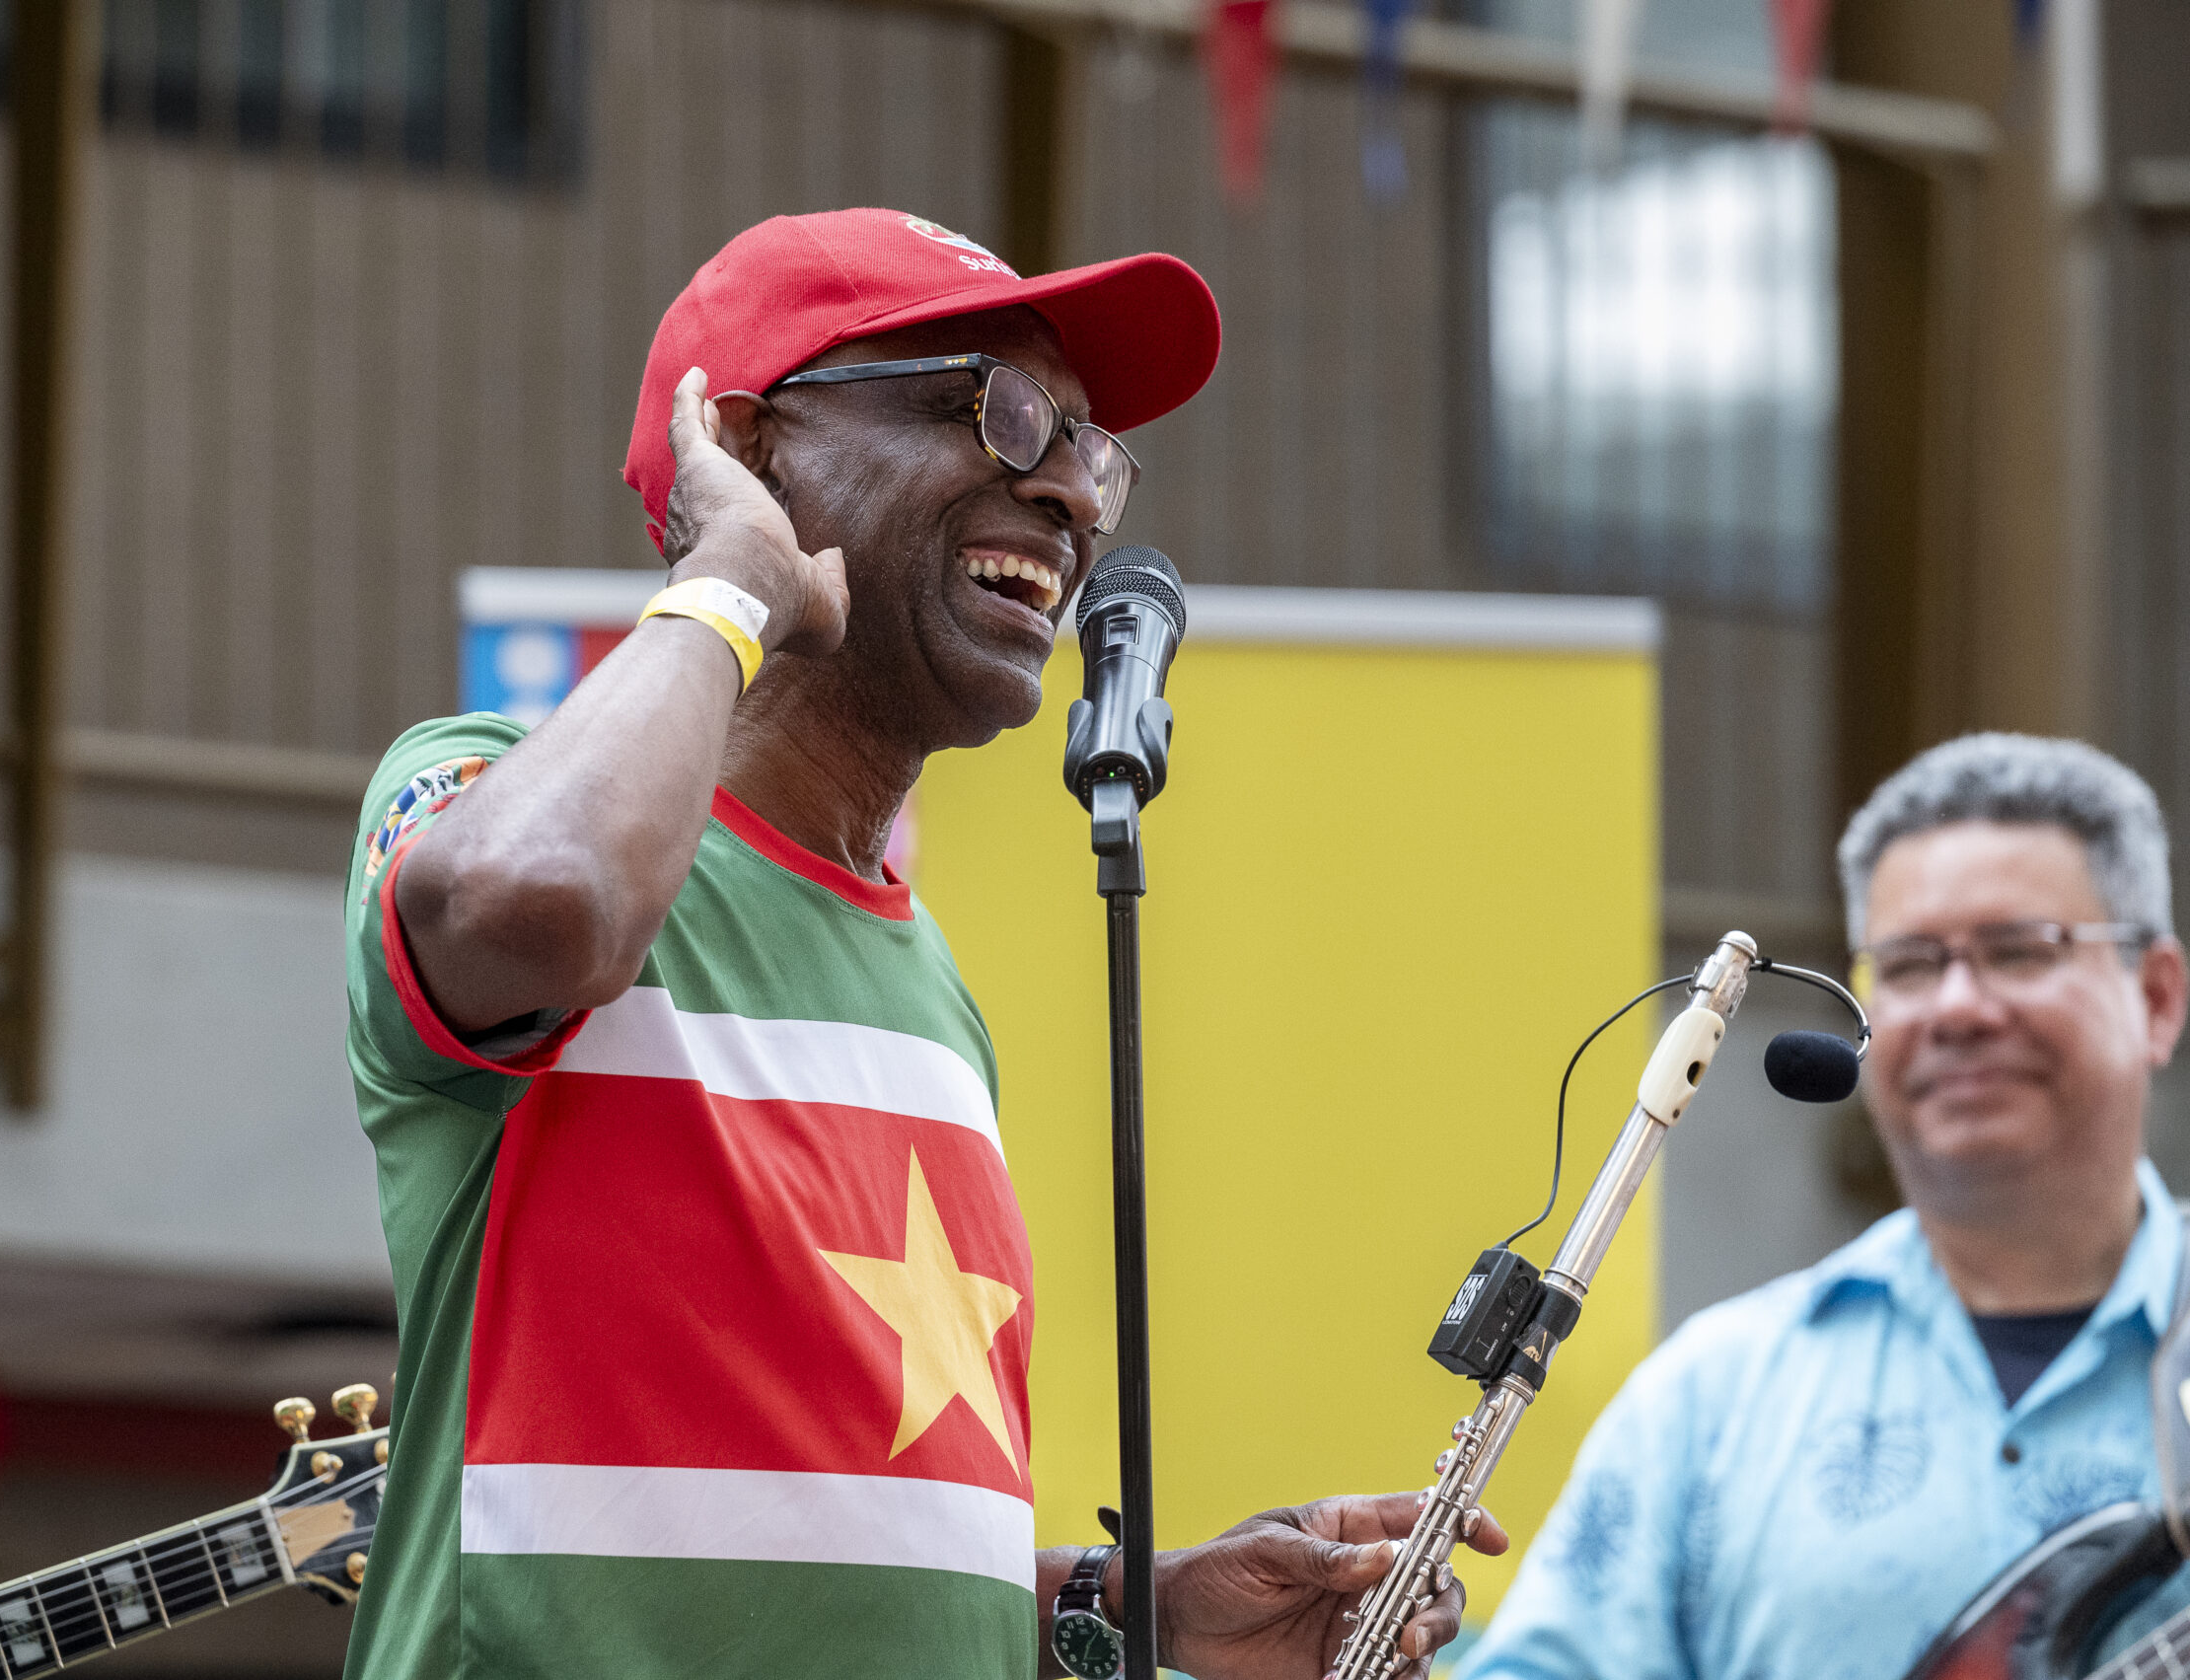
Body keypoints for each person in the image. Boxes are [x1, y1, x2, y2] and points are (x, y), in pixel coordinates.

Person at [337, 208, 1502, 1680]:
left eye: (1091, 448)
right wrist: (731, 584)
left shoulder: (930, 984)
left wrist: (1125, 1605)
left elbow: (847, 1555)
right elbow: (540, 901)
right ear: (753, 449)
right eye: (1005, 413)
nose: (1077, 494)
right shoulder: (480, 791)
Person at [1461, 733, 2190, 1680]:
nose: (1958, 1005)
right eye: (1913, 962)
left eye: (2018, 950)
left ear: (2159, 996)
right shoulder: (1708, 1401)